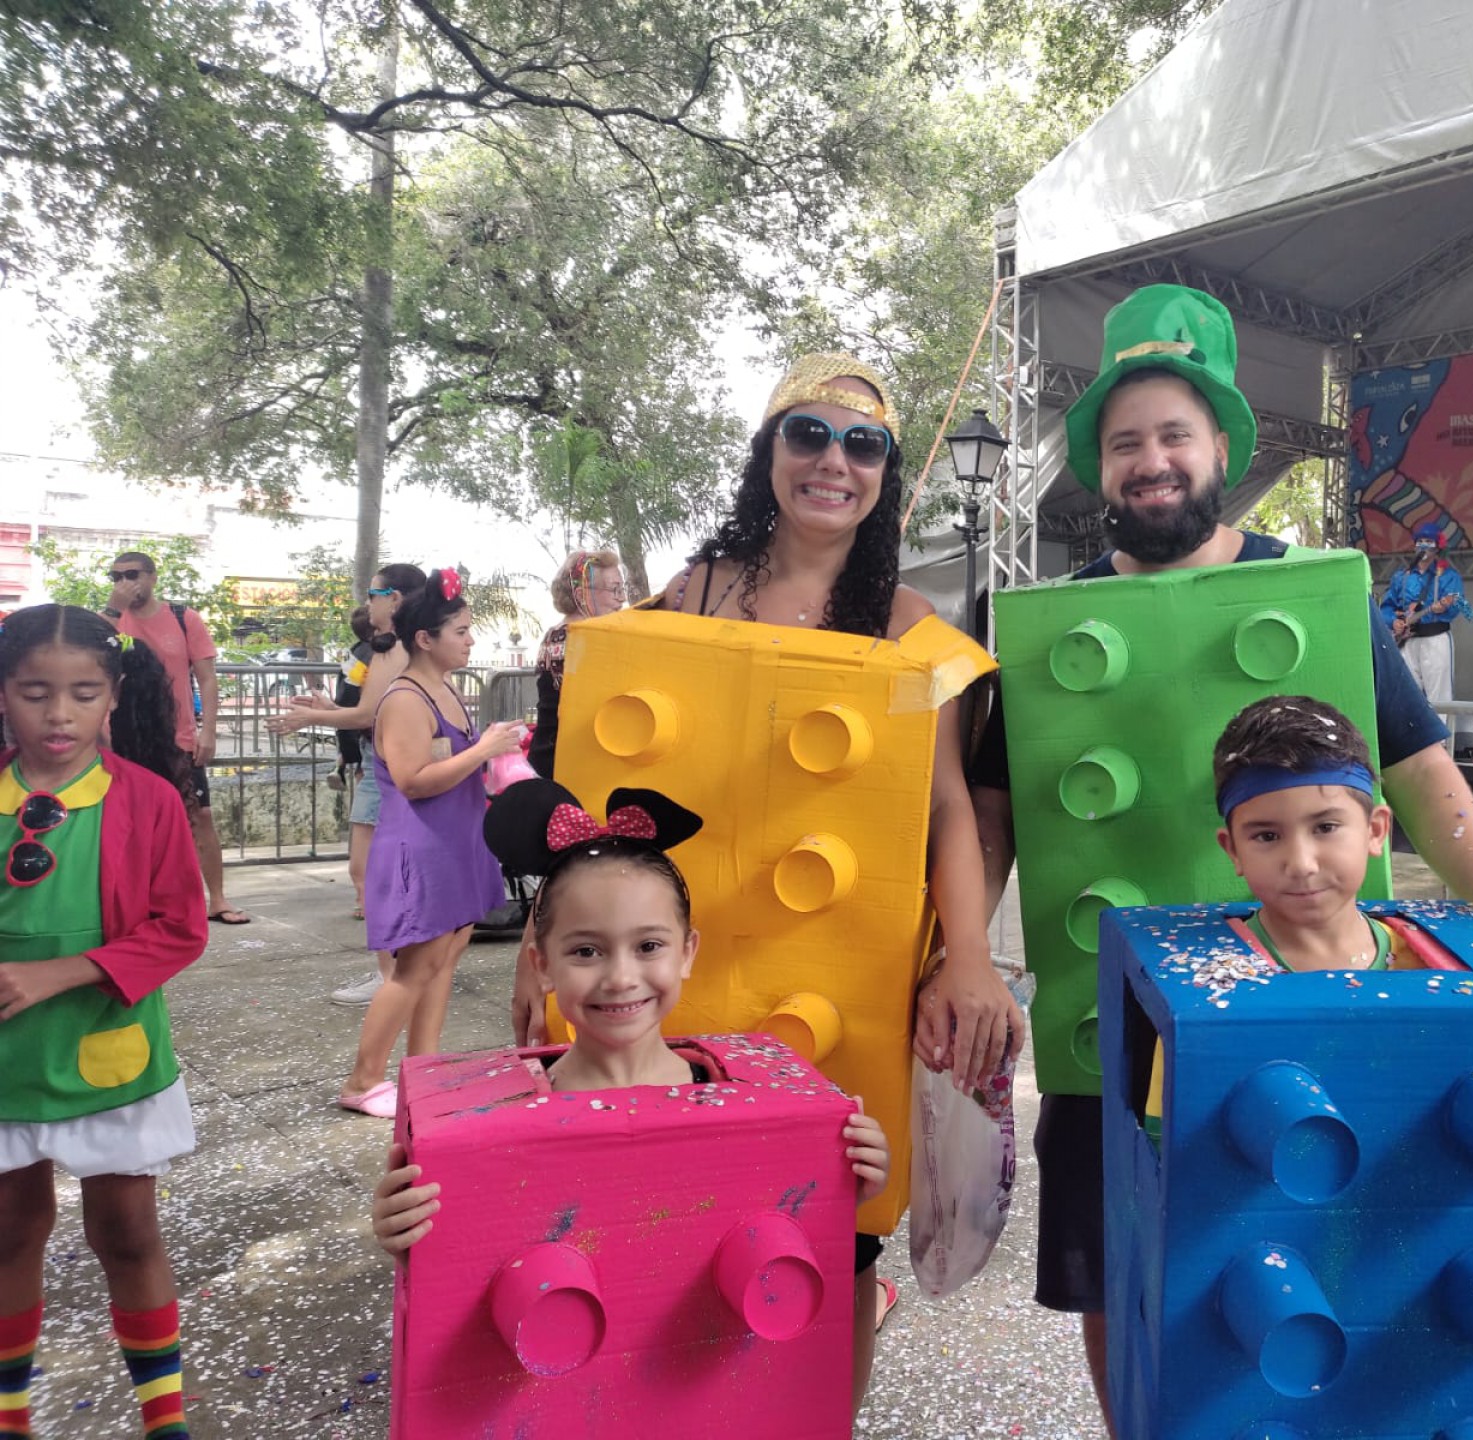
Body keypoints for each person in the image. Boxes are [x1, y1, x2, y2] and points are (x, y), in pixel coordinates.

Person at [965, 283, 1473, 1437]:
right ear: (1101, 468)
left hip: (1305, 992)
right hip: (1105, 1020)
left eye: (1175, 434)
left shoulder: (1310, 598)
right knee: (1119, 1267)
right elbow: (991, 814)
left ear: (1221, 447)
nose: (1151, 461)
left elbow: (1416, 767)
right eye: (1126, 443)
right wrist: (959, 957)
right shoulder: (1046, 627)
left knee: (1309, 1252)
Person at [509, 352, 1022, 1379]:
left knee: (829, 1241)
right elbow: (609, 794)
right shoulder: (694, 593)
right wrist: (540, 944)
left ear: (884, 473)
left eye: (864, 444)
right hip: (675, 974)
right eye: (810, 435)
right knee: (658, 1228)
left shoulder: (906, 622)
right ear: (769, 452)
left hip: (836, 980)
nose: (836, 461)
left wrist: (966, 955)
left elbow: (947, 810)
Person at [371, 778, 891, 1403]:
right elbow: (459, 1285)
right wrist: (409, 1237)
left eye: (648, 946)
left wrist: (842, 1183)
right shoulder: (498, 1127)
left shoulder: (733, 1101)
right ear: (542, 965)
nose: (621, 978)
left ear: (688, 953)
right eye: (587, 950)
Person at [0, 605, 209, 1440]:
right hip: (8, 1062)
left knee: (125, 1231)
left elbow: (179, 927)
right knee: (9, 1231)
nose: (59, 715)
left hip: (107, 1055)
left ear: (114, 696)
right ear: (2, 694)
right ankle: (12, 1418)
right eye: (33, 692)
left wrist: (60, 972)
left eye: (83, 694)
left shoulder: (148, 800)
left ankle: (166, 1422)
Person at [336, 568, 523, 1118]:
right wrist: (485, 748)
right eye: (460, 631)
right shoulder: (405, 698)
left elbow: (450, 764)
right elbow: (414, 779)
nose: (469, 640)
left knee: (445, 957)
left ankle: (424, 1069)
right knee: (416, 966)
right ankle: (362, 1080)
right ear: (425, 638)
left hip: (455, 840)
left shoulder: (441, 688)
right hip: (421, 846)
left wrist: (493, 752)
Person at [266, 564, 430, 1008]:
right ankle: (393, 971)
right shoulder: (398, 648)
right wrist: (327, 708)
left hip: (386, 768)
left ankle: (392, 977)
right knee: (378, 876)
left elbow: (367, 714)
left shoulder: (392, 649)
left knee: (370, 874)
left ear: (395, 599)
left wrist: (313, 716)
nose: (367, 602)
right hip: (386, 764)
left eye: (374, 593)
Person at [105, 550, 247, 926]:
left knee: (199, 816)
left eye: (131, 574)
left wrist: (209, 730)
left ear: (152, 577)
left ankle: (216, 899)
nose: (124, 583)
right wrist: (113, 610)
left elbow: (208, 678)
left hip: (178, 738)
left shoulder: (184, 619)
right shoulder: (111, 620)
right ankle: (138, 901)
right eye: (115, 576)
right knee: (128, 820)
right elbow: (93, 655)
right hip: (125, 739)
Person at [527, 548, 627, 780]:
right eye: (615, 589)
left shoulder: (554, 634)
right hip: (572, 765)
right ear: (582, 595)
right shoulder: (591, 638)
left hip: (547, 755)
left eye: (622, 589)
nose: (622, 598)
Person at [1378, 520, 1473, 708]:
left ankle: (1441, 738)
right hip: (1407, 640)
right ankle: (1412, 737)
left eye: (1428, 542)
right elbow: (1386, 608)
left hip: (1435, 638)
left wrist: (1445, 607)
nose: (1423, 545)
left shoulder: (1448, 576)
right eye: (1419, 541)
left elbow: (1458, 604)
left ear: (1438, 547)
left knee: (1439, 696)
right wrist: (1393, 621)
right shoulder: (1401, 576)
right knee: (1407, 694)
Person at [325, 605, 375, 798]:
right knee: (365, 765)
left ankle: (340, 766)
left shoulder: (352, 652)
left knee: (350, 749)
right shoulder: (375, 654)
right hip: (360, 715)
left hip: (343, 708)